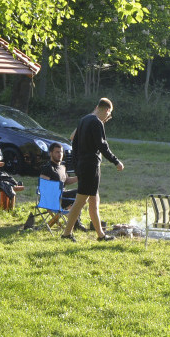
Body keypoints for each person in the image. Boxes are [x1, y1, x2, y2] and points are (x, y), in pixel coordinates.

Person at [61, 98, 123, 242]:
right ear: (107, 110)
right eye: (109, 114)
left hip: (83, 166)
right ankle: (66, 234)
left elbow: (74, 143)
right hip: (90, 167)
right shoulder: (96, 122)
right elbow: (103, 146)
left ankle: (101, 235)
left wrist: (76, 166)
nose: (107, 117)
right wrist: (116, 161)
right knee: (80, 201)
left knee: (94, 201)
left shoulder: (84, 120)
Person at [37, 142, 84, 230]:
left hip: (62, 196)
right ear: (51, 153)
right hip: (53, 200)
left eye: (61, 152)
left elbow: (66, 180)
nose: (60, 154)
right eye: (57, 152)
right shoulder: (47, 168)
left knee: (82, 192)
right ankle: (75, 222)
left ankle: (75, 221)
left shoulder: (62, 166)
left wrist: (80, 177)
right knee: (80, 193)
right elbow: (43, 188)